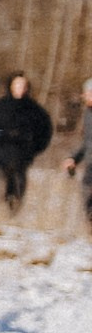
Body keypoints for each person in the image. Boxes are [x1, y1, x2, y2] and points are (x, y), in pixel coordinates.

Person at [0, 73, 53, 215]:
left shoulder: (34, 110)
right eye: (17, 84)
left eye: (23, 85)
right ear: (10, 86)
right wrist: (1, 135)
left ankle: (12, 218)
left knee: (17, 194)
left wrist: (34, 149)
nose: (20, 88)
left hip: (22, 160)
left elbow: (45, 131)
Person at [64, 77, 92, 229]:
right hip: (90, 164)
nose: (85, 96)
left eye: (89, 93)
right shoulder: (88, 113)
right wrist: (74, 158)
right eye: (85, 93)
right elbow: (88, 142)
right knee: (87, 198)